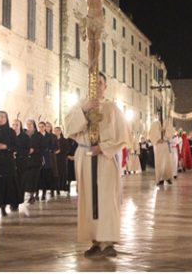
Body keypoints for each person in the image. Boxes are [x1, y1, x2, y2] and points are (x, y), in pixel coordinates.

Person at [64, 72, 130, 258]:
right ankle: (95, 240)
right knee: (89, 200)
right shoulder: (79, 106)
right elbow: (69, 128)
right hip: (84, 156)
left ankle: (108, 242)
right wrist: (84, 110)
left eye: (100, 83)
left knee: (106, 199)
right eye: (93, 83)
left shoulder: (112, 108)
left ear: (105, 86)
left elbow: (122, 136)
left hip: (105, 158)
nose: (97, 86)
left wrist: (102, 147)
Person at [0, 111, 19, 216]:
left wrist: (6, 147)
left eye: (3, 117)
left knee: (7, 185)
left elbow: (15, 146)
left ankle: (3, 207)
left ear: (6, 118)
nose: (0, 118)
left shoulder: (11, 131)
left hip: (7, 162)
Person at [149, 117, 174, 186]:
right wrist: (157, 139)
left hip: (165, 144)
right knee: (159, 162)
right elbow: (151, 134)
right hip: (159, 145)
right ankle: (160, 179)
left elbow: (171, 133)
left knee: (167, 162)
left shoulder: (168, 123)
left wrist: (165, 133)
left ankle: (168, 178)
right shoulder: (154, 124)